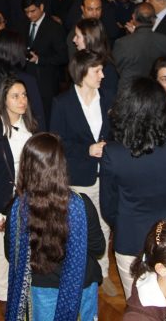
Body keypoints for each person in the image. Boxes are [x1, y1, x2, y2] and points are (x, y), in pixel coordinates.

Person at [101, 77, 166, 299]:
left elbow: (108, 206)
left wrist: (123, 222)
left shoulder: (114, 153)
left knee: (139, 305)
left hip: (132, 239)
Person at [5, 133, 104, 321]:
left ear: (26, 166)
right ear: (61, 165)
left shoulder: (18, 208)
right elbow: (98, 248)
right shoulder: (82, 205)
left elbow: (12, 255)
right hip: (81, 285)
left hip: (40, 287)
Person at [50, 49, 117, 297]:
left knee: (104, 226)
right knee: (76, 229)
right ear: (82, 72)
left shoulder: (109, 97)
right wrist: (87, 150)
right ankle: (75, 275)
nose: (102, 75)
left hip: (107, 175)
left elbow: (118, 133)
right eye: (97, 71)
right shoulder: (62, 103)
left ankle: (103, 273)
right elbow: (57, 142)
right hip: (78, 177)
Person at [0, 76, 39, 311]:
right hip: (3, 201)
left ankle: (27, 286)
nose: (22, 100)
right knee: (1, 251)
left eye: (24, 95)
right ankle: (3, 293)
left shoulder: (33, 126)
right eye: (15, 96)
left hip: (32, 199)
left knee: (30, 246)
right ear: (3, 100)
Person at [113, 2, 166, 91]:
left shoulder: (122, 43)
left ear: (133, 17)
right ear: (154, 20)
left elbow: (116, 69)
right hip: (153, 90)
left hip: (129, 91)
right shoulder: (163, 40)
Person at [73, 17, 118, 95]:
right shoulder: (83, 60)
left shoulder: (107, 69)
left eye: (77, 36)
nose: (74, 40)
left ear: (88, 39)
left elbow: (108, 98)